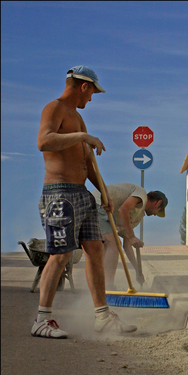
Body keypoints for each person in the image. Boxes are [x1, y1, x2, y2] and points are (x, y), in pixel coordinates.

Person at [32, 65, 137, 339]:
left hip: (81, 193)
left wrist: (102, 192)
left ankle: (102, 316)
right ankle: (42, 319)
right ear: (83, 86)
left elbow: (87, 161)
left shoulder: (78, 118)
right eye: (92, 93)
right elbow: (44, 141)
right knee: (61, 254)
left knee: (95, 249)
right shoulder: (54, 108)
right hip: (59, 193)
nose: (91, 99)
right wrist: (83, 137)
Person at [91, 184, 168, 289]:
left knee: (106, 248)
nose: (155, 214)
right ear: (157, 202)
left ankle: (98, 285)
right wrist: (132, 236)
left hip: (105, 211)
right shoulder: (141, 193)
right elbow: (123, 210)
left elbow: (127, 245)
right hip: (97, 202)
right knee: (113, 245)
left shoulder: (137, 216)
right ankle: (107, 287)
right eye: (158, 211)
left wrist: (138, 271)